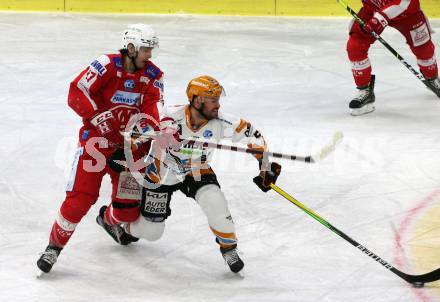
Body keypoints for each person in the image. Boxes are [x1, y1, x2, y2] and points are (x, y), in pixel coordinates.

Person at [97, 75, 282, 273]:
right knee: (152, 232)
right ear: (197, 99)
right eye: (213, 100)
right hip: (161, 174)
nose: (218, 105)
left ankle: (229, 248)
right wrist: (124, 153)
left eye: (219, 99)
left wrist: (265, 167)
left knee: (215, 201)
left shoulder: (222, 122)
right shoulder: (169, 115)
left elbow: (253, 137)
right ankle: (124, 230)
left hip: (197, 170)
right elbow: (138, 132)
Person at [37, 24, 164, 274]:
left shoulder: (154, 75)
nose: (149, 55)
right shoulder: (105, 64)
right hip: (97, 144)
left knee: (128, 213)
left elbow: (154, 108)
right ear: (131, 48)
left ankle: (108, 220)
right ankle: (53, 247)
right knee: (79, 199)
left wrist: (151, 130)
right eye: (145, 49)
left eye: (151, 49)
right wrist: (98, 117)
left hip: (130, 150)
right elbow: (77, 92)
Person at [346, 0, 440, 116]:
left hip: (406, 14)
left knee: (424, 49)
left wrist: (379, 19)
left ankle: (432, 79)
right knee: (355, 45)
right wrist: (377, 18)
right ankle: (365, 90)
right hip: (372, 10)